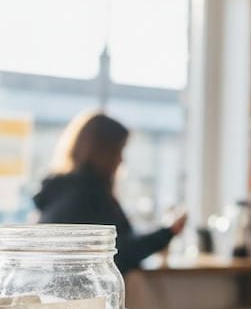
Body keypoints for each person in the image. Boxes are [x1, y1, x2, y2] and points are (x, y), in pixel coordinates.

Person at [33, 111, 187, 274]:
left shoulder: (64, 191)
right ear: (102, 153)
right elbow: (120, 251)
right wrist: (168, 232)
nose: (121, 160)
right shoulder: (85, 196)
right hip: (85, 294)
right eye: (118, 151)